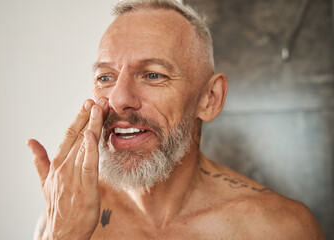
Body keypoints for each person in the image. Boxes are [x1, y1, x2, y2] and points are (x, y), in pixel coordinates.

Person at [27, 0, 325, 239]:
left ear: (210, 99)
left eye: (153, 74)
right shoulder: (68, 211)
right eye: (105, 77)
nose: (119, 99)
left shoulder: (280, 229)